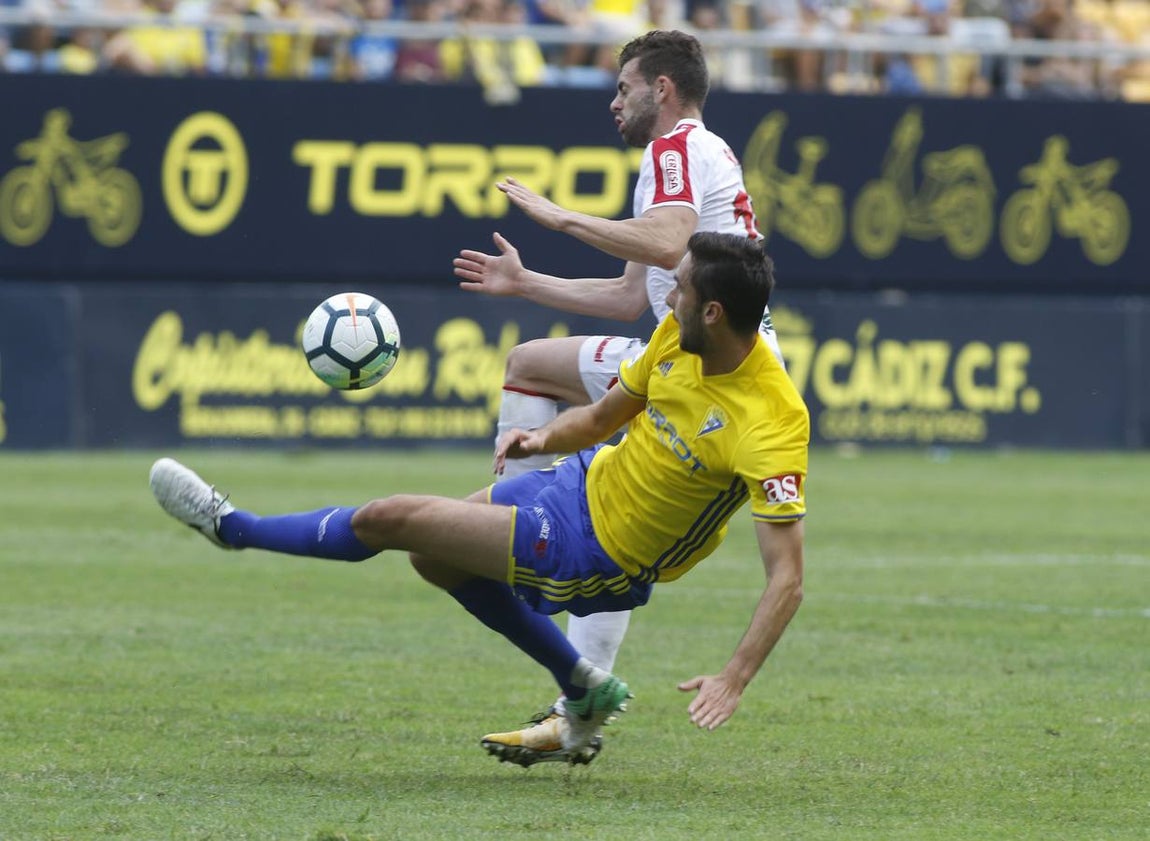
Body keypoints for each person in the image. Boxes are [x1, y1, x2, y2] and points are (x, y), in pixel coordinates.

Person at [150, 232, 809, 766]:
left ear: (714, 312)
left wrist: (733, 677)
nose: (669, 301)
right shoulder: (678, 337)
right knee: (434, 559)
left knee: (395, 518)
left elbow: (788, 577)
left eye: (682, 291)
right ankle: (583, 685)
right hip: (577, 480)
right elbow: (605, 416)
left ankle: (234, 527)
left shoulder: (772, 420)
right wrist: (540, 436)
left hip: (604, 550)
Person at [453, 28, 783, 765]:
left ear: (661, 89)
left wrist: (557, 215)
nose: (614, 101)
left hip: (716, 370)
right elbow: (636, 293)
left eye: (624, 86)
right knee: (532, 364)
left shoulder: (675, 149)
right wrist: (527, 281)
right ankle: (575, 695)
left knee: (615, 518)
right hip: (697, 352)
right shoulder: (694, 155)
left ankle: (518, 550)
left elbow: (670, 244)